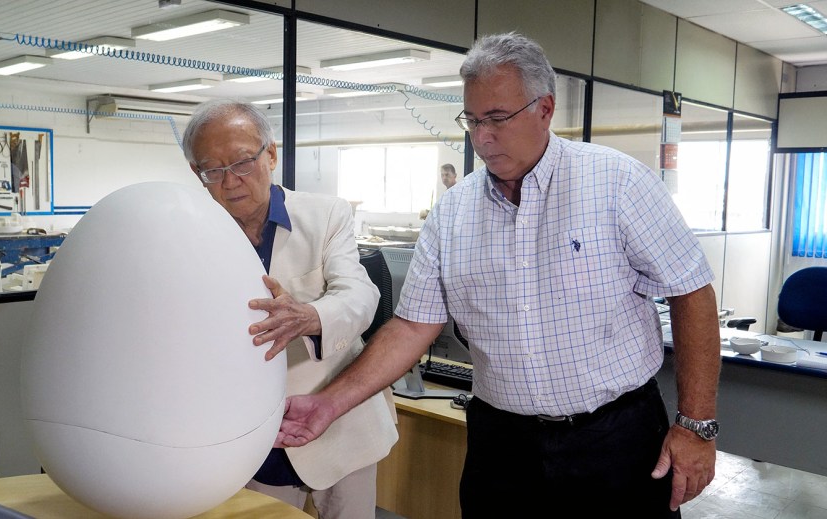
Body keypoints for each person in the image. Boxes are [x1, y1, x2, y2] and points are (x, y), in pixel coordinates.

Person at [276, 32, 721, 517]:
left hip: (615, 439)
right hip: (502, 445)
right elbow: (411, 328)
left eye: (497, 119)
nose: (481, 136)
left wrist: (696, 424)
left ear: (545, 109)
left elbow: (691, 292)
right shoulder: (453, 213)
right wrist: (328, 404)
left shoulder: (619, 183)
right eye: (472, 119)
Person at [181, 100, 397, 519]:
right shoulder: (191, 235)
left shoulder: (326, 214)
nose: (231, 182)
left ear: (272, 154)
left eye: (243, 162)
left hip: (340, 427)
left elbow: (359, 294)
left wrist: (311, 317)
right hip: (250, 438)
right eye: (213, 170)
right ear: (197, 174)